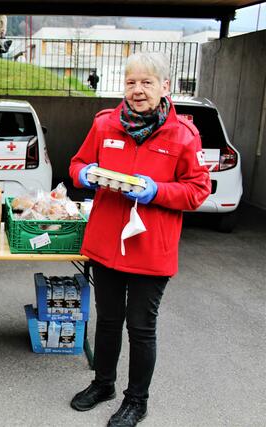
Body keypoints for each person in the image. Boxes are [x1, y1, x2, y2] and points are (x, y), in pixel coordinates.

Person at [68, 52, 211, 427]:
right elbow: (77, 164)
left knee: (141, 327)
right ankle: (103, 384)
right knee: (108, 321)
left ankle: (137, 400)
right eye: (131, 82)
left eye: (147, 82)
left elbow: (197, 190)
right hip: (106, 244)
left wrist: (157, 191)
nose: (137, 90)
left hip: (150, 248)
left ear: (165, 87)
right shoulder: (105, 125)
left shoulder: (183, 134)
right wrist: (85, 175)